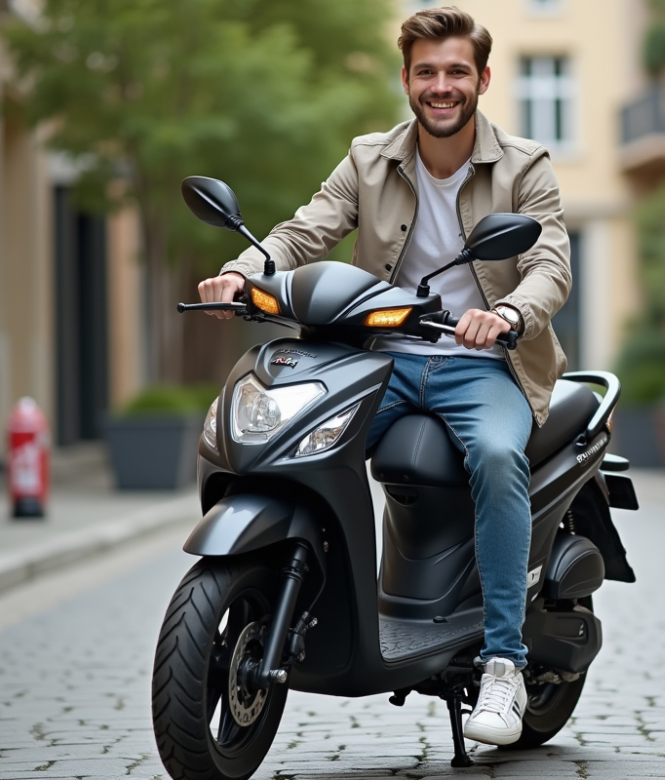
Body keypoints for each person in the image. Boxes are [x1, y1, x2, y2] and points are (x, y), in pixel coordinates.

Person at [197, 7, 570, 746]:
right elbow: (306, 229)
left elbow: (550, 263)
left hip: (481, 365)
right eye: (426, 72)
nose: (441, 86)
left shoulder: (525, 165)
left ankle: (503, 662)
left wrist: (510, 316)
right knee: (296, 438)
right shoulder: (369, 158)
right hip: (380, 362)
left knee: (496, 459)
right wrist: (242, 273)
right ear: (406, 79)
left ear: (482, 79)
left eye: (456, 71)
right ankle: (317, 604)